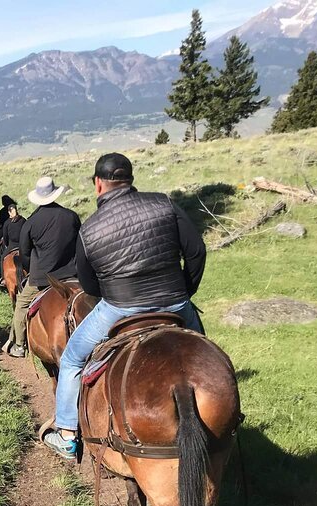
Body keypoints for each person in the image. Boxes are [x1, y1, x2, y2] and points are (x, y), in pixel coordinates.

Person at [44, 152, 207, 459]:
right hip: (175, 301)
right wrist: (185, 290)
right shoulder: (164, 203)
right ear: (130, 179)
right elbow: (196, 251)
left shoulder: (89, 228)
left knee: (71, 361)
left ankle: (66, 434)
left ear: (98, 185)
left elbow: (89, 285)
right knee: (204, 353)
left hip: (119, 306)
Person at [8, 177, 80, 358]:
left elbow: (24, 253)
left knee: (22, 306)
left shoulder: (31, 223)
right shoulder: (71, 216)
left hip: (42, 278)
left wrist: (30, 270)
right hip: (73, 273)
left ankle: (19, 345)